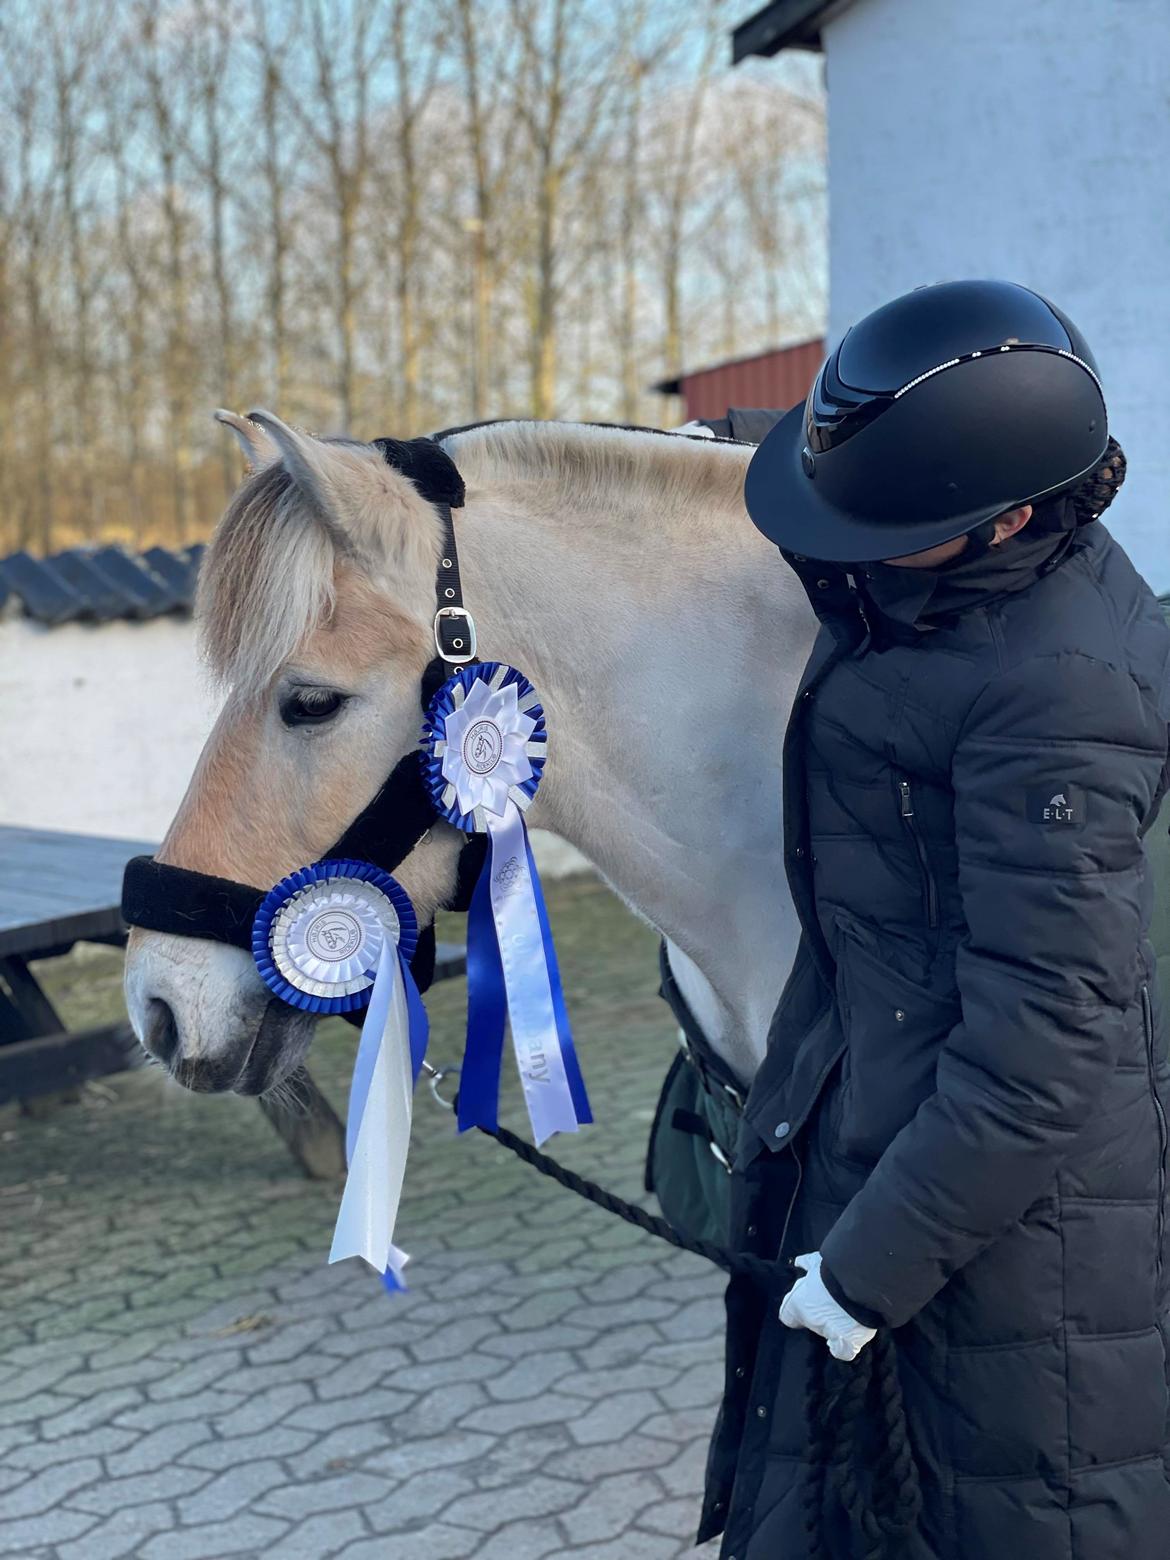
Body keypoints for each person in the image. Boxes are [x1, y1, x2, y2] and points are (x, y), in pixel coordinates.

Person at [694, 280, 1170, 1559]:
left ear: (1006, 516)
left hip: (1003, 1257)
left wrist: (868, 1271)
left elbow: (1046, 1053)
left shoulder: (1058, 695)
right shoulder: (936, 586)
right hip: (874, 1144)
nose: (837, 547)